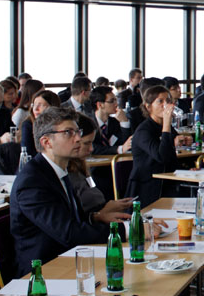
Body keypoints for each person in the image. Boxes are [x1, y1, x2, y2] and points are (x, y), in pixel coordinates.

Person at [8, 107, 134, 275]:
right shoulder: (32, 182)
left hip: (66, 257)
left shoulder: (59, 170)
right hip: (42, 271)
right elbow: (68, 233)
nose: (78, 139)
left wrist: (95, 217)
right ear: (46, 142)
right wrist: (129, 230)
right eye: (68, 133)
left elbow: (69, 219)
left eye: (77, 132)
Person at [127, 85, 193, 206]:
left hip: (168, 180)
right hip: (148, 185)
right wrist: (167, 124)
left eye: (168, 101)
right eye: (160, 101)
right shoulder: (143, 131)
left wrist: (184, 141)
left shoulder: (166, 127)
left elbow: (171, 153)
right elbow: (162, 156)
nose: (165, 105)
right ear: (148, 107)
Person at [67, 113, 107, 215]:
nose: (91, 149)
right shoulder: (67, 175)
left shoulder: (81, 166)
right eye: (86, 143)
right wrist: (105, 211)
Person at [89, 87, 133, 155]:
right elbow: (92, 148)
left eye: (116, 100)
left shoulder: (115, 122)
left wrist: (124, 122)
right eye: (112, 101)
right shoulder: (87, 123)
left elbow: (126, 144)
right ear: (100, 105)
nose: (116, 104)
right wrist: (119, 149)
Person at [20, 89, 60, 159]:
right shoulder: (28, 124)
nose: (35, 109)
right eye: (34, 105)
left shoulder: (60, 124)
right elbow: (27, 152)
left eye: (40, 105)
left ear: (52, 107)